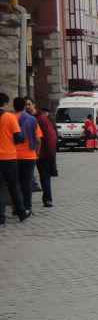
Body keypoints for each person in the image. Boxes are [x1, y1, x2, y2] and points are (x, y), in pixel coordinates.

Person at [0, 92, 28, 223]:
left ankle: (1, 217)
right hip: (9, 157)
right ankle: (21, 213)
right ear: (5, 104)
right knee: (13, 186)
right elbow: (18, 136)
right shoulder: (9, 117)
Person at [13, 96, 41, 216]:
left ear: (13, 106)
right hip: (29, 156)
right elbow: (38, 139)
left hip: (14, 156)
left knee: (16, 183)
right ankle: (28, 207)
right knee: (27, 182)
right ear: (25, 106)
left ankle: (17, 208)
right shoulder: (32, 119)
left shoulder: (9, 118)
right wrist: (37, 153)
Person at [35, 106, 57, 207]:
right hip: (26, 153)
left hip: (42, 153)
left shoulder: (42, 119)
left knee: (44, 176)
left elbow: (51, 137)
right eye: (26, 104)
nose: (27, 107)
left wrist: (49, 152)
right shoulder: (26, 117)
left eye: (29, 104)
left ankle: (47, 198)